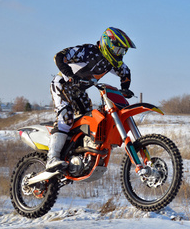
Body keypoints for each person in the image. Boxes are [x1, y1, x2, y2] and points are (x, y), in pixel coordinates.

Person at [47, 27, 135, 171]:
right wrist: (70, 75)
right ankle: (52, 158)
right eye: (119, 50)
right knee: (66, 117)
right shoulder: (88, 51)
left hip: (78, 92)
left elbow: (126, 73)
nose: (120, 54)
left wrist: (125, 88)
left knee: (89, 122)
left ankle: (77, 155)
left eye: (123, 51)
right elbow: (59, 56)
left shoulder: (113, 62)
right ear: (108, 44)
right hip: (62, 85)